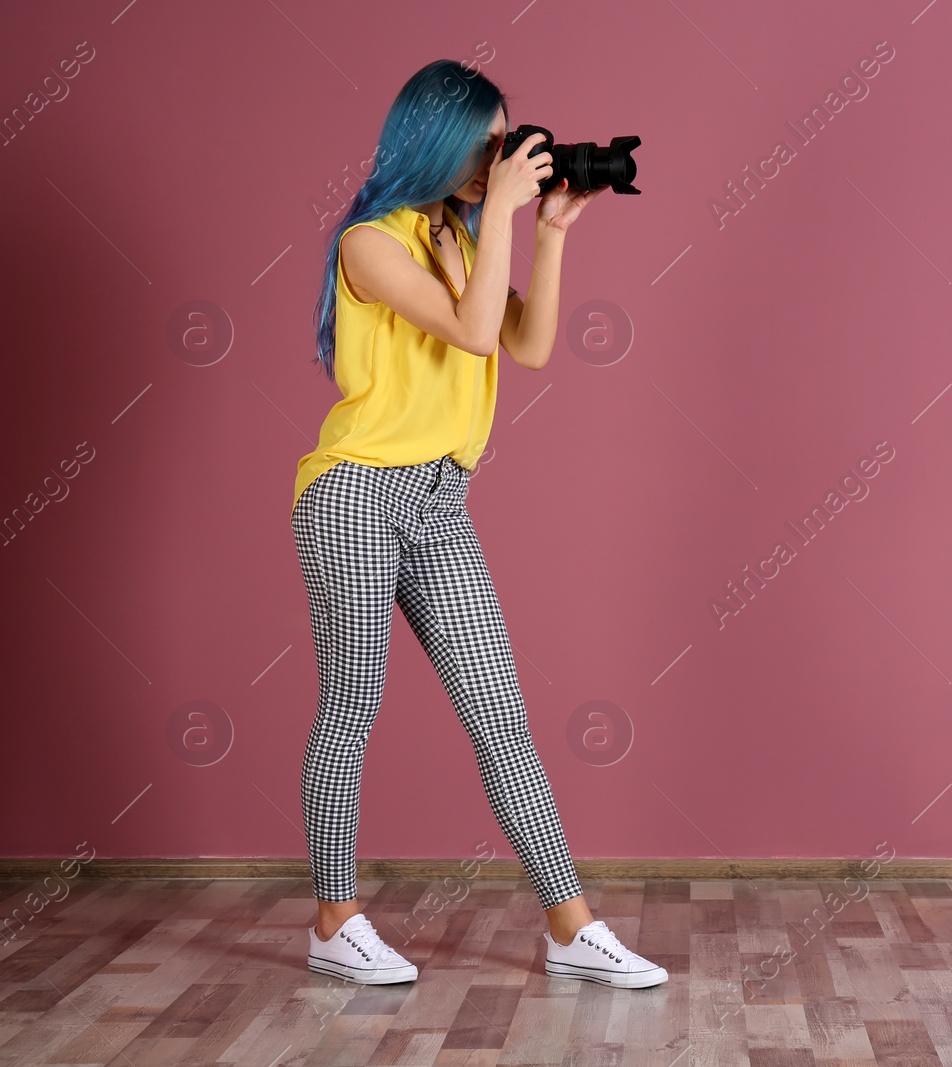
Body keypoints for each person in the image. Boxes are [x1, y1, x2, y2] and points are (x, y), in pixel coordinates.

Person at [289, 58, 666, 989]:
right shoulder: (369, 244)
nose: (501, 160)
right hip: (354, 493)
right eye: (488, 147)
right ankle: (335, 918)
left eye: (507, 145)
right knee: (354, 700)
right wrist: (498, 211)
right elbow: (464, 332)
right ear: (437, 140)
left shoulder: (461, 238)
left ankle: (570, 924)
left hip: (439, 500)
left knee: (501, 713)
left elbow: (525, 348)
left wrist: (553, 232)